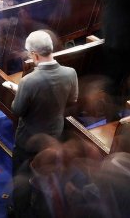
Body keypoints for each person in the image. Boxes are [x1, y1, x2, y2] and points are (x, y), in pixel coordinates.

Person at [7, 30, 79, 173]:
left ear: (35, 55)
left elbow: (17, 110)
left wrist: (18, 92)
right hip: (55, 134)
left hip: (29, 139)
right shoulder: (71, 72)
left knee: (21, 176)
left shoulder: (28, 81)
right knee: (46, 173)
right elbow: (72, 100)